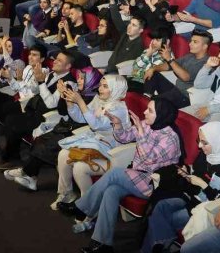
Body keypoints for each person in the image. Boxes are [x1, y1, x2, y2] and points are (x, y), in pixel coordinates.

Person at [60, 98, 183, 253]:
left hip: (154, 183)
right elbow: (123, 138)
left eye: (150, 111)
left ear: (162, 115)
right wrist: (117, 124)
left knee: (115, 173)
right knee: (111, 191)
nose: (144, 112)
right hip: (137, 175)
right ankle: (102, 244)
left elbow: (148, 159)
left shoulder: (170, 138)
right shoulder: (146, 123)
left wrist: (140, 132)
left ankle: (80, 207)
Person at [141, 122, 220, 253]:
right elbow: (197, 170)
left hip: (205, 207)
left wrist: (202, 184)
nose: (200, 146)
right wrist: (187, 170)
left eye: (204, 142)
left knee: (165, 219)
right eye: (198, 141)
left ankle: (157, 246)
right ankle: (157, 246)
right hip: (191, 196)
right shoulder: (207, 154)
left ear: (217, 141)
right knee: (161, 206)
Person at [50, 75, 130, 208]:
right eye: (100, 85)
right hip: (97, 143)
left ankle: (87, 206)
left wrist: (80, 101)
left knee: (80, 167)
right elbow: (81, 118)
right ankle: (66, 193)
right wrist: (69, 101)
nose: (100, 89)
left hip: (113, 151)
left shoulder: (119, 108)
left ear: (116, 89)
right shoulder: (98, 99)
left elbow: (96, 125)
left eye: (105, 86)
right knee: (63, 154)